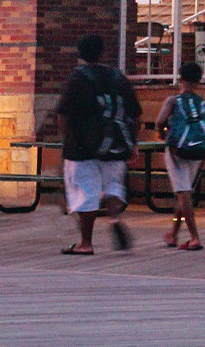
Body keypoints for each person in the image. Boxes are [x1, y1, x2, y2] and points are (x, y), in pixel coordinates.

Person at [56, 35, 142, 255]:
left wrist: (66, 140)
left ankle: (86, 242)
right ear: (103, 52)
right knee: (112, 185)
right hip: (115, 145)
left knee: (85, 192)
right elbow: (135, 113)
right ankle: (114, 218)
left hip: (82, 147)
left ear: (80, 54)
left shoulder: (77, 78)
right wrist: (133, 142)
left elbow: (63, 113)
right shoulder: (118, 77)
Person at [158, 66, 205, 251]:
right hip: (198, 151)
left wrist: (163, 134)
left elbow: (160, 121)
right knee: (185, 193)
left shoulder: (173, 100)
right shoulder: (201, 102)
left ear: (180, 79)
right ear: (198, 81)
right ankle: (173, 233)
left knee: (183, 194)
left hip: (178, 151)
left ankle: (194, 237)